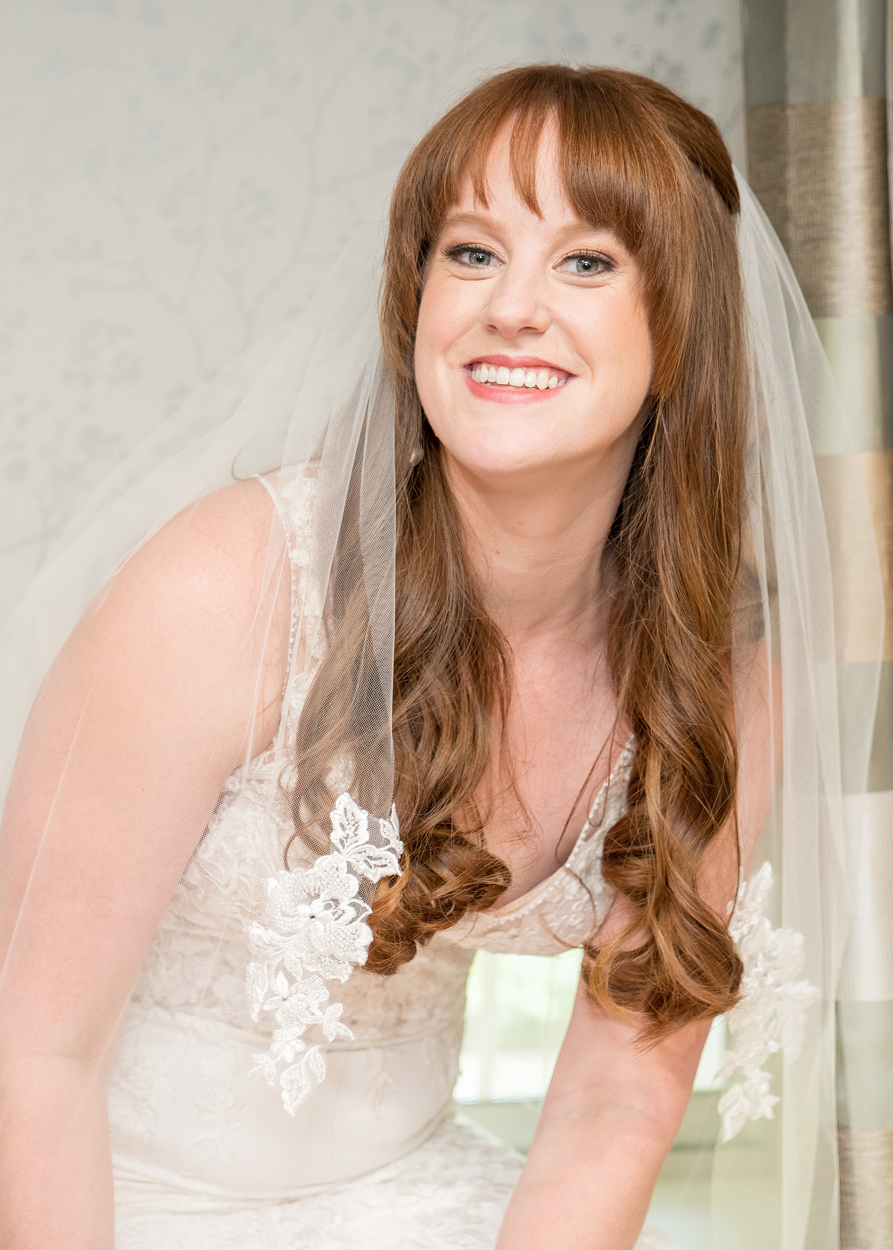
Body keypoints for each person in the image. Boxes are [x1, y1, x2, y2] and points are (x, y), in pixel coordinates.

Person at [0, 65, 882, 1250]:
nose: (508, 306)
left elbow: (613, 1100)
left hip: (405, 1204)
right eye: (469, 252)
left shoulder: (719, 677)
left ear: (680, 333)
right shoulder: (235, 582)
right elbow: (31, 1048)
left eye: (585, 260)